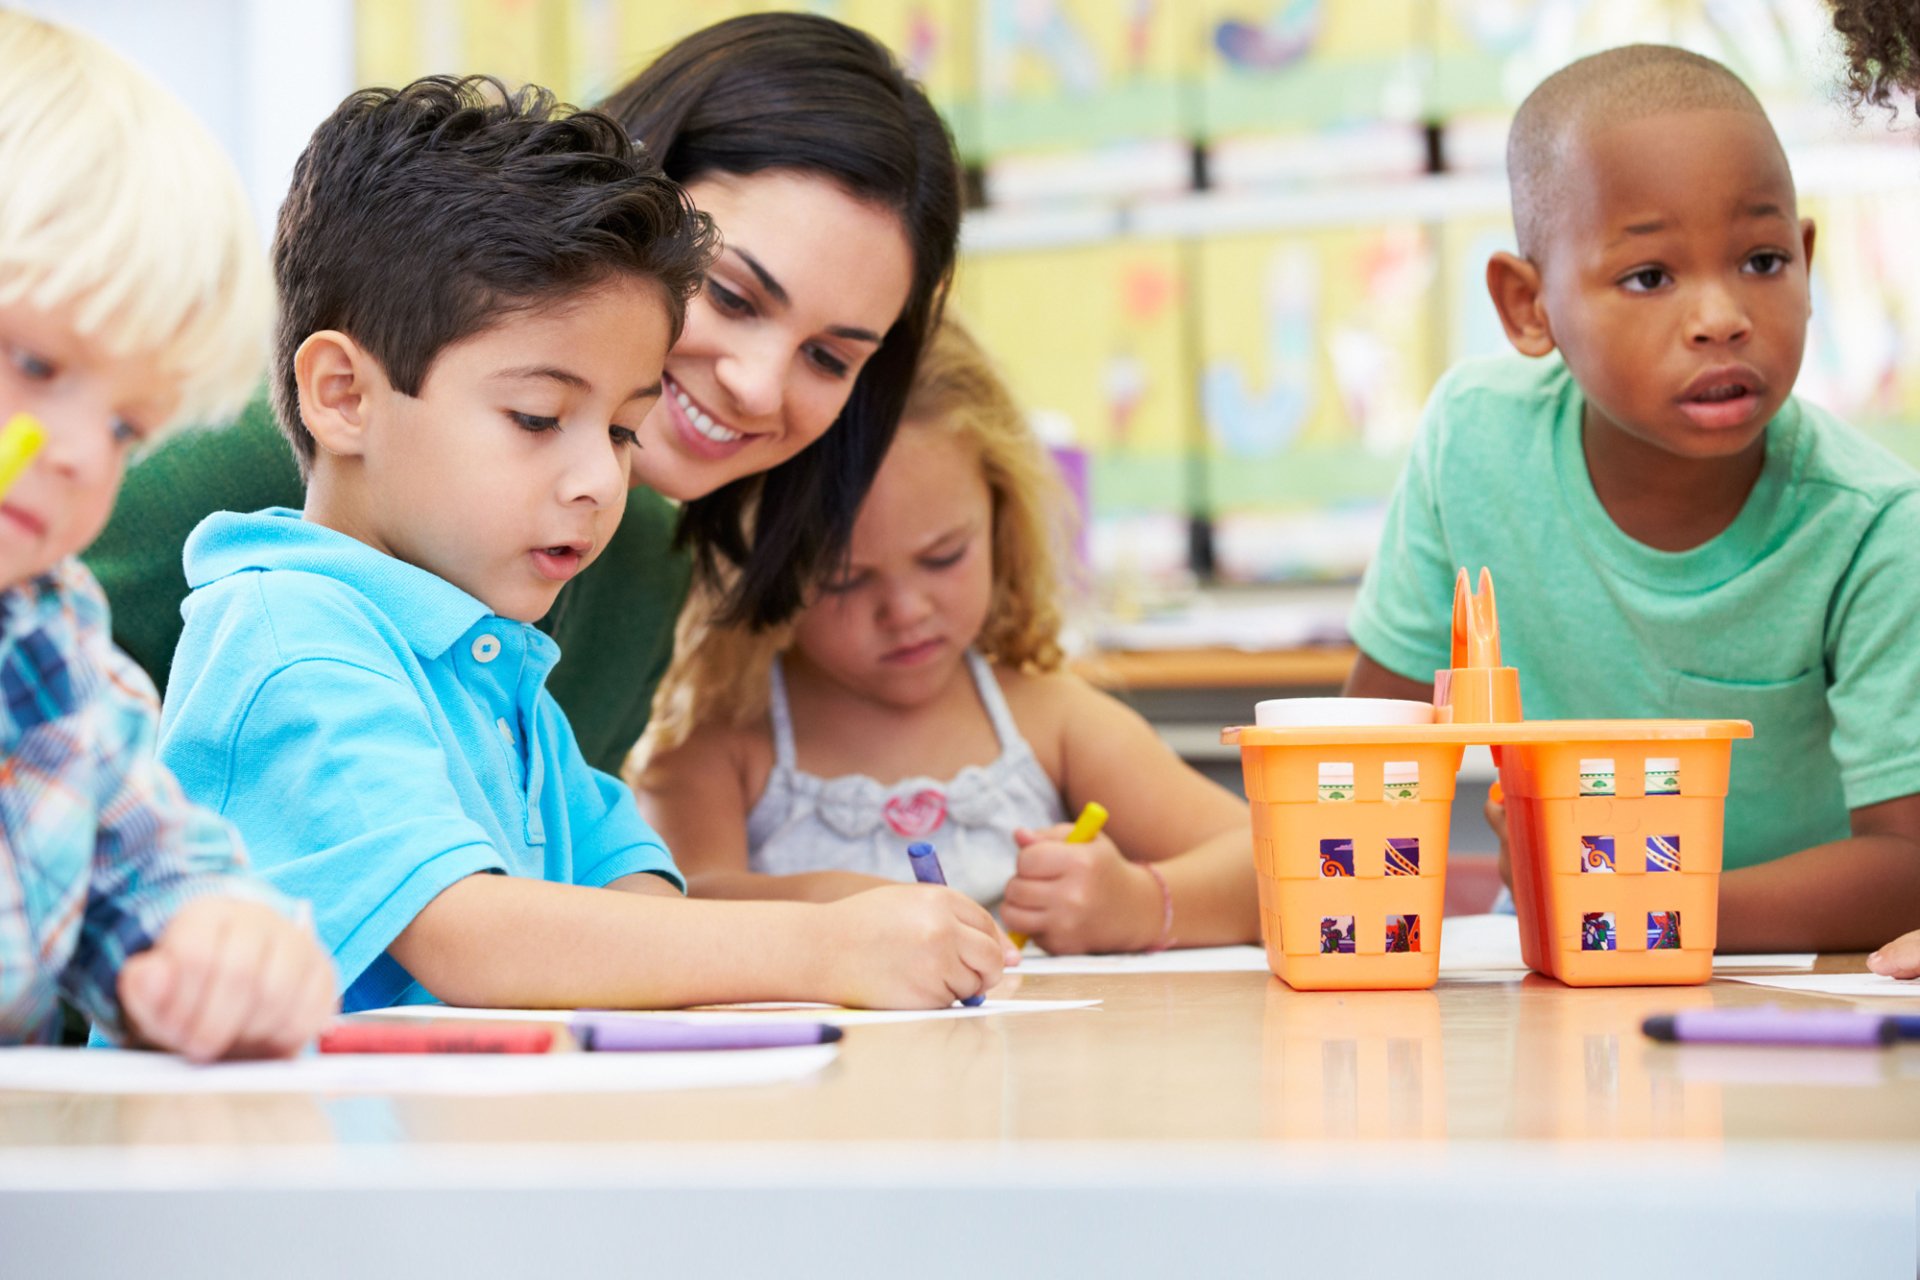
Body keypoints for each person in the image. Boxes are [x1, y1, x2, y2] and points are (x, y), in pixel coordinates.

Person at [158, 76, 1009, 1013]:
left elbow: (633, 895)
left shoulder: (496, 667)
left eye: (619, 431)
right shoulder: (289, 635)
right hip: (277, 1151)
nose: (602, 482)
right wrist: (817, 948)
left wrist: (850, 924)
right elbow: (468, 935)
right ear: (345, 396)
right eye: (536, 417)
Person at [85, 10, 961, 775]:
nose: (757, 385)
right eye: (730, 296)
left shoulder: (638, 571)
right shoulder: (254, 450)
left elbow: (554, 901)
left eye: (830, 358)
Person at [1343, 45, 1920, 953]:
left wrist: (1629, 902)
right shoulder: (1474, 440)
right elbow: (1370, 757)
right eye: (1651, 277)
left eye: (1763, 261)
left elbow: (1907, 865)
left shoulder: (1876, 526)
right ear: (1530, 308)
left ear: (1808, 264)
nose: (1721, 316)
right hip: (1544, 960)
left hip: (1765, 977)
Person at [632, 321, 1258, 956]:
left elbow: (1280, 862)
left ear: (1001, 520)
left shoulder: (1049, 720)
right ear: (760, 573)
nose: (905, 610)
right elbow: (663, 914)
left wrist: (1144, 903)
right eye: (845, 581)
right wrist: (829, 908)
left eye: (943, 557)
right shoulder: (723, 738)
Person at [0, 13, 334, 1056]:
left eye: (124, 427)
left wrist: (226, 947)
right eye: (38, 365)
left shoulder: (50, 645)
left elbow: (155, 872)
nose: (78, 455)